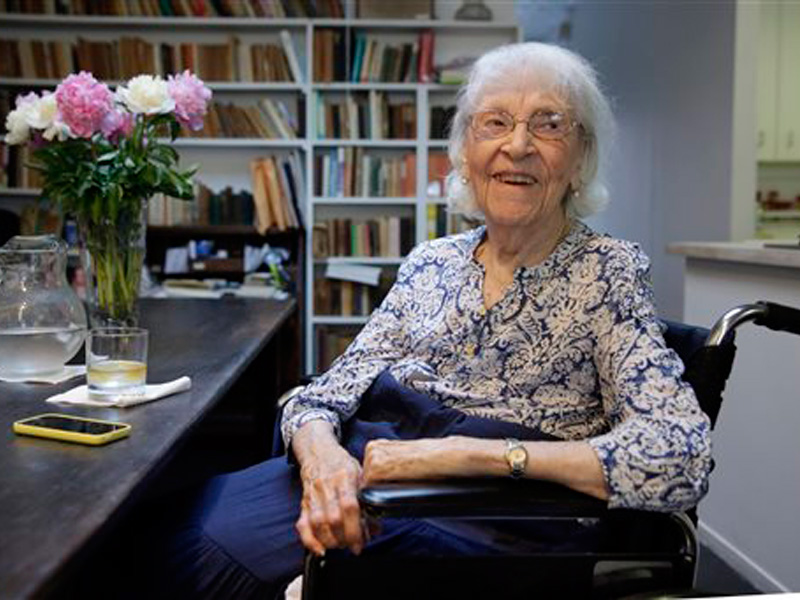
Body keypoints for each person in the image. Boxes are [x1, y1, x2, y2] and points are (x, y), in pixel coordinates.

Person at [96, 41, 712, 599]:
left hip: (495, 515)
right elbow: (322, 395)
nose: (518, 145)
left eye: (549, 124)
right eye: (495, 122)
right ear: (465, 153)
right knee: (156, 529)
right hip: (369, 464)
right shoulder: (430, 263)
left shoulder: (607, 270)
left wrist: (460, 455)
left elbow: (678, 454)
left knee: (224, 571)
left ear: (579, 159)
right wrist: (323, 462)